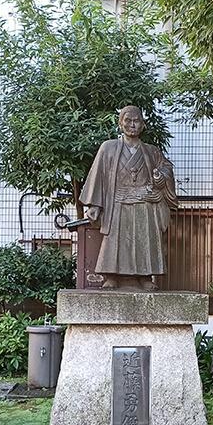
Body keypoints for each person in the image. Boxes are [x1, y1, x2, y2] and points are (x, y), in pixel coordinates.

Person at [79, 106, 178, 290]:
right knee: (115, 240)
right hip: (118, 202)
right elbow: (98, 175)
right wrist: (95, 205)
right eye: (128, 120)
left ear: (143, 124)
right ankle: (111, 276)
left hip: (144, 202)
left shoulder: (151, 151)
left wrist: (161, 177)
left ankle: (145, 276)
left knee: (144, 240)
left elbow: (166, 167)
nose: (132, 124)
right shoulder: (108, 148)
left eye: (137, 121)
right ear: (120, 123)